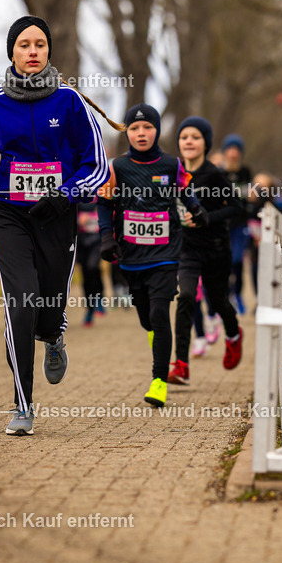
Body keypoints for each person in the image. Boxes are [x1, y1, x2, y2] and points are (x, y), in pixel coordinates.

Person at [0, 15, 112, 436]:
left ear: (48, 52)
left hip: (57, 215)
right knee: (21, 301)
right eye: (24, 44)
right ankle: (22, 405)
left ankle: (55, 336)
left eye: (39, 44)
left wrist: (65, 194)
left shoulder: (70, 102)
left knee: (48, 307)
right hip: (8, 213)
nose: (32, 51)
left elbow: (95, 165)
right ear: (12, 52)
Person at [97, 104, 209, 407]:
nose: (141, 133)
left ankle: (159, 380)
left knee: (160, 313)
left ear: (157, 130)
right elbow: (105, 204)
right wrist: (106, 237)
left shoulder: (171, 164)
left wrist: (197, 208)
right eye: (134, 128)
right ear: (127, 132)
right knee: (147, 317)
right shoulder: (116, 167)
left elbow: (185, 189)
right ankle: (156, 337)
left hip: (166, 252)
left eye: (147, 127)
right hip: (131, 255)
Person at [168, 117, 243, 386]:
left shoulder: (215, 174)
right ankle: (181, 365)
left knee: (218, 302)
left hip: (216, 249)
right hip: (187, 249)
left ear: (206, 144)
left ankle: (233, 335)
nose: (189, 141)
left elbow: (237, 207)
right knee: (186, 297)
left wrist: (206, 217)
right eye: (184, 136)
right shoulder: (173, 173)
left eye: (195, 137)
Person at [220, 134, 252, 314]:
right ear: (225, 152)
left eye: (236, 150)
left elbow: (247, 196)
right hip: (223, 224)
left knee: (238, 261)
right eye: (230, 149)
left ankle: (237, 294)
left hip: (240, 224)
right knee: (224, 263)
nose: (233, 153)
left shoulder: (245, 172)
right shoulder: (219, 172)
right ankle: (224, 296)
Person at [75, 200, 106, 327]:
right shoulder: (74, 187)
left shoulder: (100, 188)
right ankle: (89, 309)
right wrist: (78, 220)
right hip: (81, 240)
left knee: (93, 267)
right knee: (85, 274)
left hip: (97, 240)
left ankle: (99, 299)